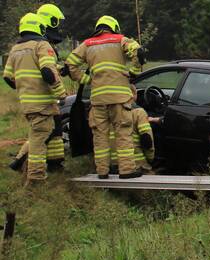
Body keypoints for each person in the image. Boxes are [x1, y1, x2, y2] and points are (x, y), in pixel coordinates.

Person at [65, 16, 144, 179]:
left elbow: (70, 63)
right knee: (123, 133)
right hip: (119, 98)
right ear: (114, 27)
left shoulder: (87, 44)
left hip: (98, 99)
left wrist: (87, 80)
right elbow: (138, 51)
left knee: (100, 136)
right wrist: (135, 71)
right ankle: (126, 170)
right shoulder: (120, 39)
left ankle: (102, 171)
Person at [3, 14, 62, 182]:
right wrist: (61, 93)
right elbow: (47, 72)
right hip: (42, 102)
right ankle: (36, 177)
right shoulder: (41, 44)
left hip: (26, 102)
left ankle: (23, 163)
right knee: (38, 139)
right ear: (40, 27)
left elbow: (7, 77)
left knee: (38, 133)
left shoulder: (15, 49)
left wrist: (24, 88)